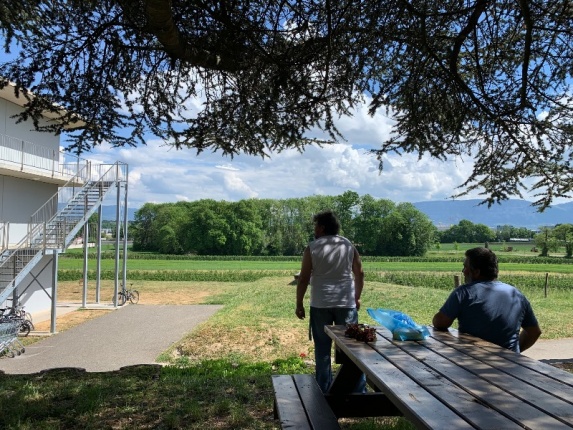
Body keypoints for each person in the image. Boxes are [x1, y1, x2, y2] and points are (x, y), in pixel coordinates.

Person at [295, 210, 365, 393]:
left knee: (322, 349)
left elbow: (303, 278)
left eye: (315, 226)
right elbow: (360, 273)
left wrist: (299, 304)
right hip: (346, 303)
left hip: (320, 304)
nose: (314, 230)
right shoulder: (348, 245)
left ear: (322, 227)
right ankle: (357, 390)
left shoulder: (312, 248)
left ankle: (324, 390)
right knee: (352, 348)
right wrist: (356, 297)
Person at [433, 247, 541, 353]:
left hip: (472, 362)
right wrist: (512, 354)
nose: (463, 271)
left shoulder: (464, 293)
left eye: (465, 267)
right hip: (510, 366)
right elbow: (534, 332)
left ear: (476, 272)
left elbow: (440, 323)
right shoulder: (516, 295)